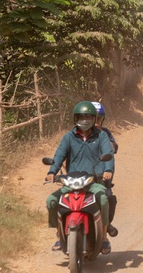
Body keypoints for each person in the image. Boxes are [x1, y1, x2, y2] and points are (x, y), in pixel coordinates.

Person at [46, 101, 115, 254]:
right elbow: (59, 155)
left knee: (103, 199)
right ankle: (59, 234)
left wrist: (108, 170)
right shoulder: (68, 137)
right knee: (51, 201)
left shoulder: (102, 136)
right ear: (75, 118)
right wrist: (52, 172)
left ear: (94, 118)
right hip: (71, 182)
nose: (85, 120)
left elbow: (109, 155)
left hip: (93, 182)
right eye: (81, 117)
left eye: (89, 117)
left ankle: (104, 237)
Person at [92, 101, 119, 238]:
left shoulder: (106, 133)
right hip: (82, 176)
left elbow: (113, 147)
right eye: (93, 118)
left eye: (99, 118)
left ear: (102, 119)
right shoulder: (77, 133)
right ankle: (60, 232)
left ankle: (105, 228)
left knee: (108, 198)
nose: (96, 121)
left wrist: (102, 135)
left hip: (101, 176)